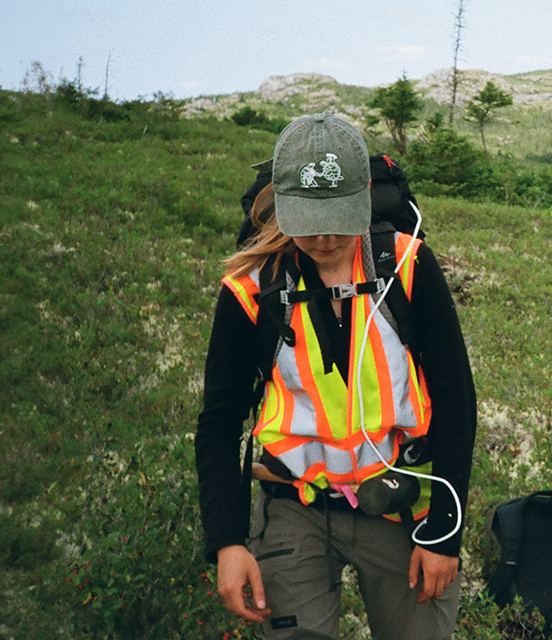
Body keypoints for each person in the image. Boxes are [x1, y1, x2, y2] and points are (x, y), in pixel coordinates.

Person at [194, 113, 477, 639]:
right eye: (307, 219)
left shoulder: (408, 267)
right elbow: (220, 421)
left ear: (366, 194)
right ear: (281, 202)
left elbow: (457, 400)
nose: (324, 237)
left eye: (340, 216)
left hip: (400, 501)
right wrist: (229, 542)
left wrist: (443, 534)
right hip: (293, 506)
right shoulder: (250, 290)